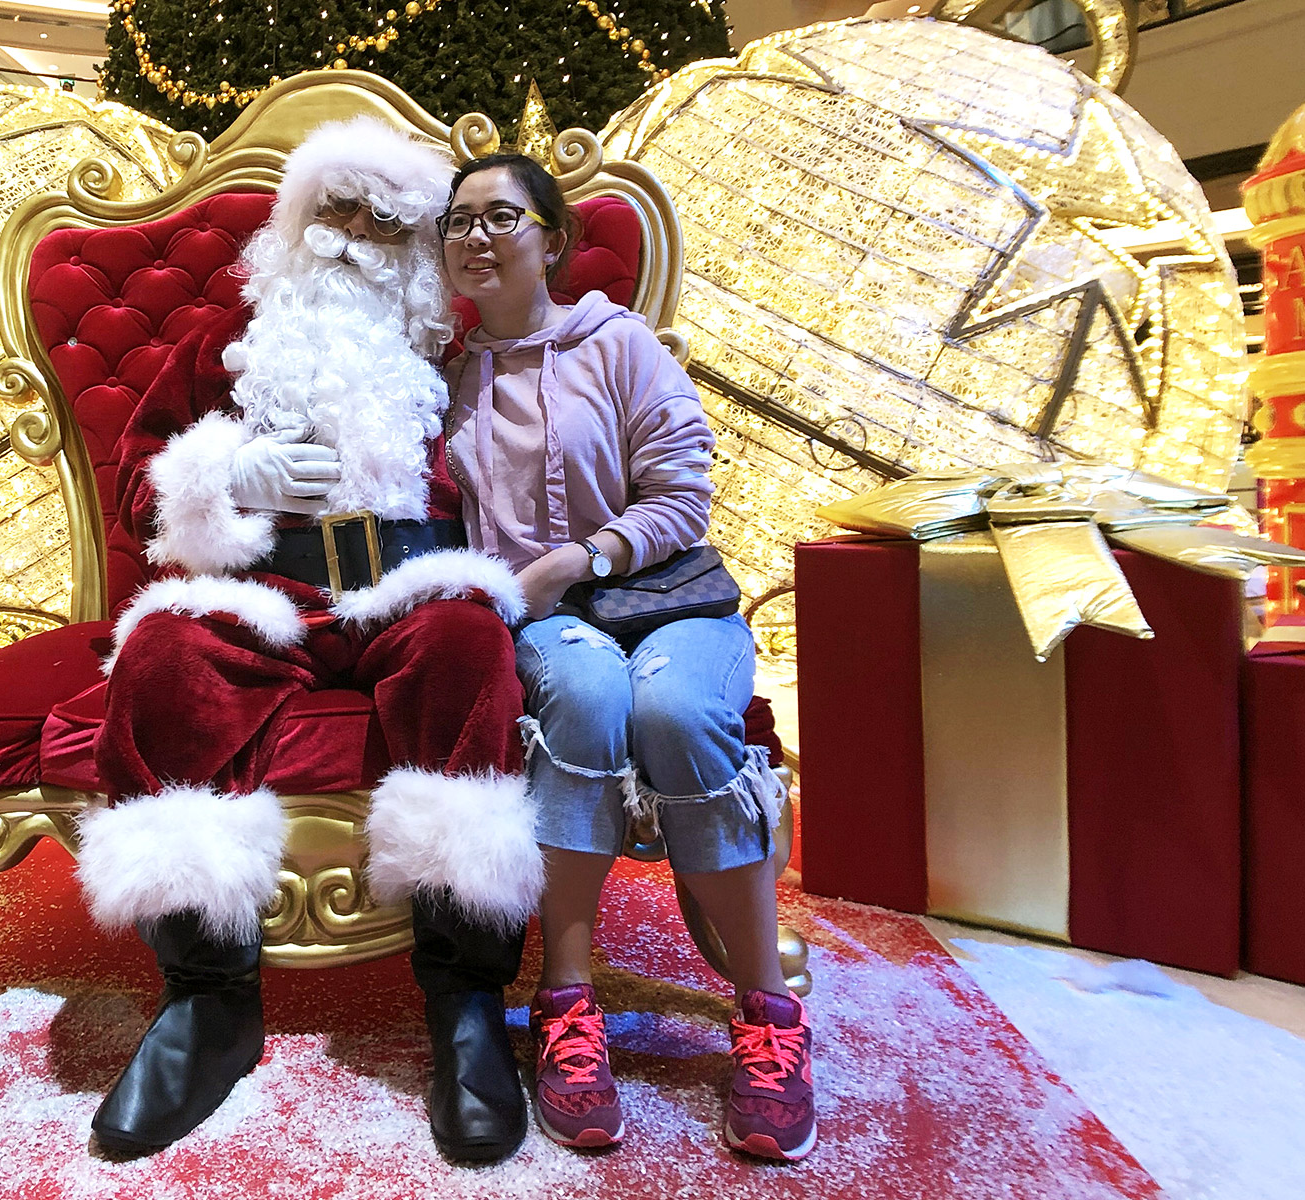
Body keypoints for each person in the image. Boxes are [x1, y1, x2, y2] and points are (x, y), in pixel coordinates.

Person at [77, 117, 541, 1162]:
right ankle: (204, 1001)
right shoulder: (221, 350)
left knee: (467, 644)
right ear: (293, 222)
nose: (352, 236)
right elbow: (133, 487)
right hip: (264, 586)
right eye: (335, 209)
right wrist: (223, 476)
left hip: (407, 580)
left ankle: (465, 999)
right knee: (162, 662)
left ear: (418, 254)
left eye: (385, 222)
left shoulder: (458, 360)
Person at [439, 154, 815, 1161]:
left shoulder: (618, 344)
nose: (476, 236)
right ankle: (565, 1001)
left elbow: (684, 497)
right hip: (544, 619)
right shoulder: (444, 367)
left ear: (550, 239)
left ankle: (767, 1014)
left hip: (663, 592)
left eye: (500, 216)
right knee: (590, 697)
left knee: (676, 713)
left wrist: (581, 555)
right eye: (458, 221)